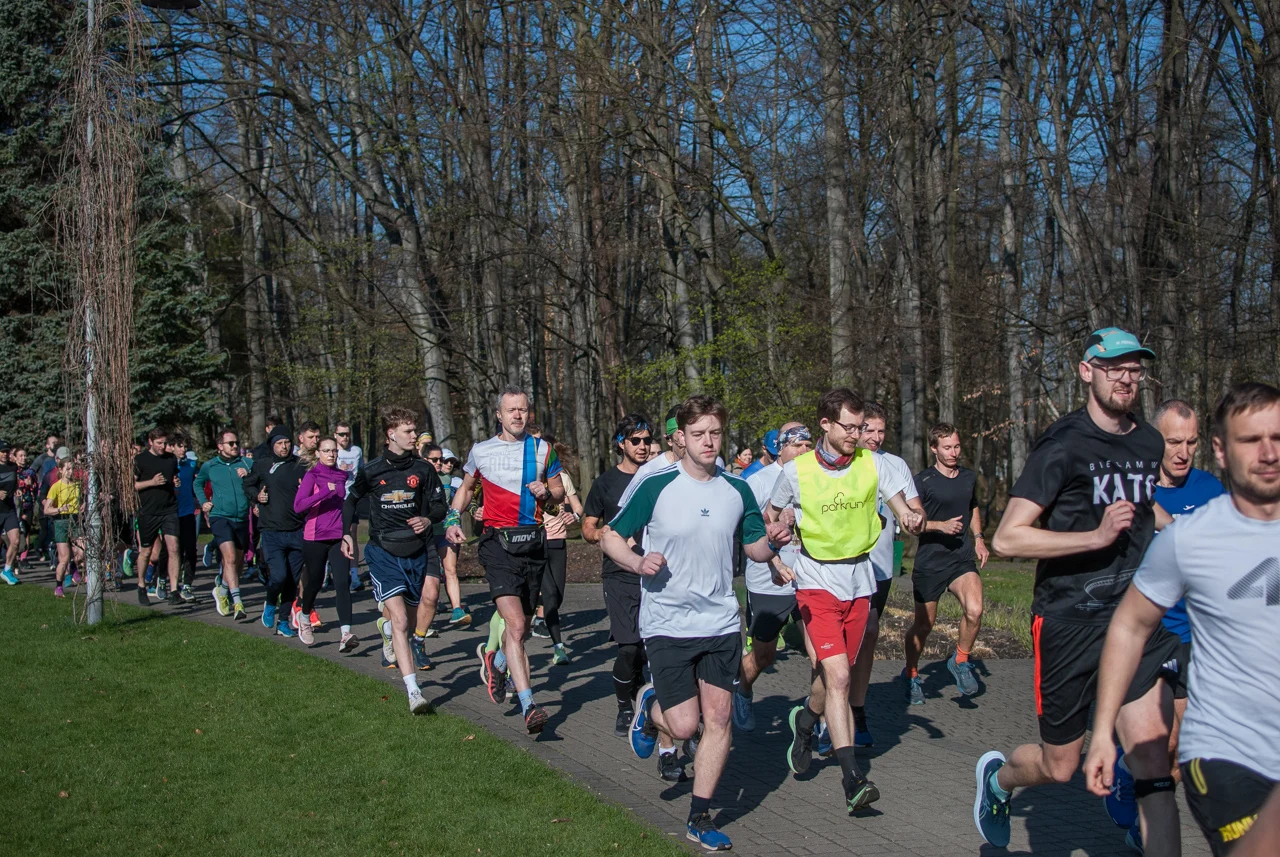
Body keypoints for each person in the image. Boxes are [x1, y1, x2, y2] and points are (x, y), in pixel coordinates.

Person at [975, 327, 1178, 854]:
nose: (1126, 379)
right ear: (1087, 371)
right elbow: (1007, 537)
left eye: (1135, 369)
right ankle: (998, 782)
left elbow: (1144, 503)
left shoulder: (1148, 441)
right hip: (1068, 621)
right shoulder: (1062, 445)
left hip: (1132, 619)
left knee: (1157, 763)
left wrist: (1178, 531)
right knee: (1060, 765)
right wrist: (1095, 535)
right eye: (1114, 368)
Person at [1084, 382, 1280, 857]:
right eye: (1251, 440)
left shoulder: (1210, 496)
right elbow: (1129, 626)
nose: (1268, 452)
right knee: (1163, 743)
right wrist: (1103, 733)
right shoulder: (1190, 538)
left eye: (1277, 437)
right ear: (1224, 447)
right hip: (1227, 754)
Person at [602, 394, 792, 851]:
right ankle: (651, 712)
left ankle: (699, 816)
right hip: (667, 622)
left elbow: (753, 550)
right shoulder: (657, 484)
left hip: (721, 621)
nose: (709, 442)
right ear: (681, 438)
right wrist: (636, 561)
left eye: (716, 433)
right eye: (699, 434)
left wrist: (774, 541)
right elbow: (611, 535)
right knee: (684, 726)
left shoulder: (737, 490)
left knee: (719, 718)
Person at [769, 388, 925, 814]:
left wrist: (911, 517)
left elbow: (902, 506)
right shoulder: (796, 471)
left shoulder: (872, 465)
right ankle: (852, 778)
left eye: (861, 427)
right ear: (826, 424)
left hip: (860, 582)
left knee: (833, 676)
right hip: (816, 580)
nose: (858, 435)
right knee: (838, 676)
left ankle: (805, 719)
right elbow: (773, 512)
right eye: (850, 427)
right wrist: (780, 533)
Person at [446, 387, 563, 733]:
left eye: (523, 410)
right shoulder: (482, 451)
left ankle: (495, 660)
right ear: (499, 414)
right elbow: (466, 488)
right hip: (497, 543)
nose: (517, 416)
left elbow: (558, 492)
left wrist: (547, 492)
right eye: (511, 410)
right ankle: (530, 706)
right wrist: (454, 520)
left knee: (523, 628)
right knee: (514, 625)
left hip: (533, 544)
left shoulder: (543, 450)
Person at [342, 406, 447, 715]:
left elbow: (440, 507)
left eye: (414, 430)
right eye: (409, 431)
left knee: (413, 617)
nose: (415, 436)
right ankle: (414, 691)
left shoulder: (423, 469)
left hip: (417, 550)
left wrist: (427, 519)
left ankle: (390, 633)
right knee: (400, 620)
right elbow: (350, 500)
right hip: (384, 551)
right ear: (391, 435)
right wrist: (346, 535)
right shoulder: (372, 470)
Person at [1149, 398, 1226, 782]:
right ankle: (1136, 796)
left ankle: (1147, 807)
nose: (1183, 453)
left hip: (1196, 633)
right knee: (1165, 737)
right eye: (1174, 442)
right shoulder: (1135, 490)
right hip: (1149, 631)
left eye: (1191, 443)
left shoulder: (1211, 490)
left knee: (1187, 745)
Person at [582, 415, 664, 740]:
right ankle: (623, 707)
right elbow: (588, 524)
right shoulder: (605, 483)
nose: (642, 446)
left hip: (656, 574)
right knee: (629, 648)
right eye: (636, 441)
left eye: (647, 441)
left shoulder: (661, 478)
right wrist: (598, 534)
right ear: (621, 443)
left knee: (650, 648)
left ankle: (648, 703)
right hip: (619, 574)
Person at [849, 401, 923, 747]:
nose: (876, 437)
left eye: (881, 430)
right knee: (839, 645)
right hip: (838, 567)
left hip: (878, 568)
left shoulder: (893, 466)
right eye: (869, 430)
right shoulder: (840, 465)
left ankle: (856, 710)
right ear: (855, 429)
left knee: (869, 632)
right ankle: (823, 709)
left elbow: (913, 508)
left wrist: (914, 518)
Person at [732, 422, 813, 733]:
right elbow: (751, 531)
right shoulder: (758, 481)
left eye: (809, 446)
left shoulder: (816, 478)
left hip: (809, 579)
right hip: (769, 582)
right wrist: (776, 562)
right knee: (765, 655)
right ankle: (742, 688)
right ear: (781, 447)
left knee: (821, 652)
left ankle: (817, 716)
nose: (804, 451)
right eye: (797, 446)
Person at [902, 422, 988, 701]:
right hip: (931, 561)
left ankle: (960, 660)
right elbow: (910, 524)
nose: (954, 452)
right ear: (934, 449)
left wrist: (978, 538)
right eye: (947, 447)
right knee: (923, 626)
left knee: (975, 611)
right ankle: (913, 674)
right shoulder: (922, 482)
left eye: (957, 446)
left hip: (961, 558)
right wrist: (939, 526)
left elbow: (972, 505)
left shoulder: (968, 477)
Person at [292, 436, 357, 650]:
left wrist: (346, 532)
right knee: (315, 581)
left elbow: (345, 505)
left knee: (342, 583)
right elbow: (298, 506)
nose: (331, 454)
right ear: (318, 453)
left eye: (334, 451)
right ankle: (303, 615)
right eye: (326, 451)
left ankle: (346, 633)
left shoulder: (342, 475)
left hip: (337, 536)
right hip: (315, 537)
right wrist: (323, 492)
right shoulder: (312, 476)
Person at [243, 426, 305, 639]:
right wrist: (256, 497)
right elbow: (247, 484)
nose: (284, 446)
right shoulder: (262, 465)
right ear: (272, 445)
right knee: (278, 576)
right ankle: (270, 603)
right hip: (272, 530)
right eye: (279, 443)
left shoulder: (300, 465)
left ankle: (284, 622)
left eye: (287, 442)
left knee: (292, 580)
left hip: (297, 530)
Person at [533, 438, 586, 665]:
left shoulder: (562, 478)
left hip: (558, 542)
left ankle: (536, 611)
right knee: (551, 595)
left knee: (559, 595)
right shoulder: (529, 479)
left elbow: (578, 508)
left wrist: (573, 516)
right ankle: (558, 647)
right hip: (536, 542)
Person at [195, 429, 253, 621]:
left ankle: (223, 590)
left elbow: (261, 480)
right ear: (220, 446)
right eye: (231, 443)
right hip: (220, 516)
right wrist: (204, 502)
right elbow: (198, 484)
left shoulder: (246, 463)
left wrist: (249, 476)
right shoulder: (210, 466)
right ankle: (238, 603)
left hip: (242, 518)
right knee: (228, 558)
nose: (235, 446)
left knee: (237, 562)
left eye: (237, 443)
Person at [133, 427, 182, 605]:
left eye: (164, 443)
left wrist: (176, 482)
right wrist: (151, 482)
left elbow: (174, 478)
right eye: (159, 443)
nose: (163, 447)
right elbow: (132, 485)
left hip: (169, 509)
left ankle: (174, 590)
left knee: (174, 547)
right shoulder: (140, 460)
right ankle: (141, 586)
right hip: (148, 511)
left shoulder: (170, 459)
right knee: (146, 552)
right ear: (150, 442)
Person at [44, 455, 84, 597]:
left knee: (82, 551)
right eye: (67, 469)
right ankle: (59, 587)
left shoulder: (77, 485)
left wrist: (82, 506)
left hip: (75, 520)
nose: (70, 471)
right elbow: (46, 509)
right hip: (61, 521)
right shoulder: (56, 487)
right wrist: (60, 509)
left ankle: (74, 567)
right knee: (64, 558)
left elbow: (83, 500)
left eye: (72, 468)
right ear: (60, 470)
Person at [437, 447, 469, 627]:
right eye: (445, 461)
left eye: (452, 462)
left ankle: (457, 609)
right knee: (429, 577)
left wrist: (474, 509)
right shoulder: (426, 477)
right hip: (427, 533)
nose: (449, 464)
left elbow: (467, 499)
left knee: (450, 570)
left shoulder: (456, 481)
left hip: (446, 531)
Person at [168, 433, 199, 602]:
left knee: (191, 550)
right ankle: (163, 580)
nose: (183, 449)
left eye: (185, 446)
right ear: (171, 446)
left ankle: (187, 584)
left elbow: (199, 482)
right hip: (170, 513)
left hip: (187, 512)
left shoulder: (191, 465)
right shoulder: (166, 465)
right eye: (180, 446)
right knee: (172, 550)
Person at [334, 420, 364, 592]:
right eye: (341, 434)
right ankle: (330, 570)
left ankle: (354, 575)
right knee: (334, 535)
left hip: (350, 498)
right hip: (334, 499)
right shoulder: (332, 451)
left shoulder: (356, 451)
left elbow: (361, 471)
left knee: (352, 534)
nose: (345, 437)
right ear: (335, 435)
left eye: (347, 434)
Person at [0, 440, 19, 584]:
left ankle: (7, 570)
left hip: (9, 510)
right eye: (2, 451)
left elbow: (15, 482)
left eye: (7, 451)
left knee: (16, 541)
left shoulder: (13, 467)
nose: (5, 454)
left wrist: (17, 489)